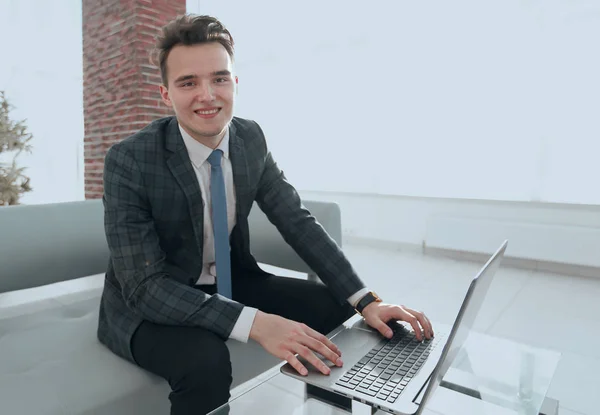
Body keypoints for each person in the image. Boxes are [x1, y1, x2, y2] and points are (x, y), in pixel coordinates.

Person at [97, 13, 434, 415]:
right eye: (188, 82)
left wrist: (367, 300)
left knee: (337, 309)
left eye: (219, 78)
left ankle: (334, 407)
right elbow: (144, 286)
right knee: (205, 363)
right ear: (166, 94)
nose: (207, 95)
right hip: (153, 300)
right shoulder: (129, 160)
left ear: (235, 83)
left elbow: (296, 220)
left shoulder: (250, 139)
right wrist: (256, 323)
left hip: (230, 279)